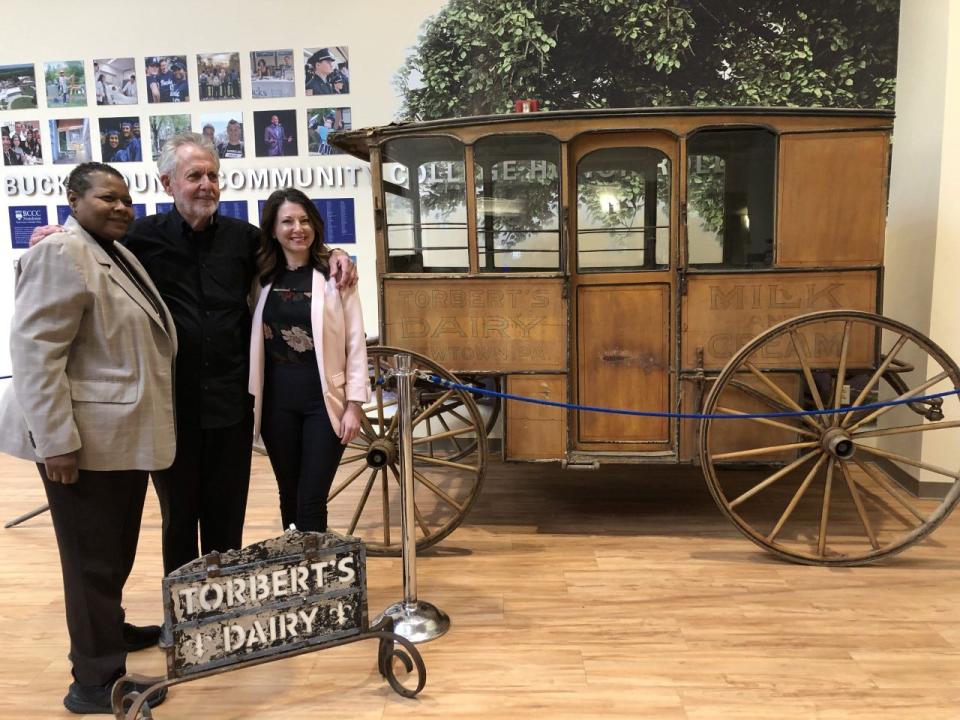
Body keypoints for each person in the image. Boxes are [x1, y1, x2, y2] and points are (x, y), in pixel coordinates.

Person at [29, 133, 358, 575]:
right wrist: (58, 233)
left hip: (231, 407)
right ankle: (183, 618)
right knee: (179, 519)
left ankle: (222, 616)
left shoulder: (244, 240)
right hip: (171, 407)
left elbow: (296, 253)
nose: (206, 184)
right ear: (167, 183)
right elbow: (90, 246)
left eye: (213, 176)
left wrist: (337, 253)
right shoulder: (140, 238)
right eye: (194, 176)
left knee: (226, 520)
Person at [0, 162, 175, 714]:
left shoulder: (110, 250)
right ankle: (96, 683)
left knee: (111, 552)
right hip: (82, 445)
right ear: (73, 199)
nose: (121, 207)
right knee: (90, 561)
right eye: (107, 197)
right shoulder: (62, 253)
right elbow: (35, 354)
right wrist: (55, 441)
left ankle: (109, 633)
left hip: (114, 439)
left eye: (126, 198)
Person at [250, 188, 368, 533]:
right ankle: (294, 573)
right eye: (287, 221)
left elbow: (354, 342)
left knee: (312, 498)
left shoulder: (336, 276)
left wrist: (354, 405)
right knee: (288, 494)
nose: (297, 228)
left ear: (315, 225)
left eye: (304, 220)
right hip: (276, 403)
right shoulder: (260, 277)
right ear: (273, 228)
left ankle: (316, 577)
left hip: (324, 401)